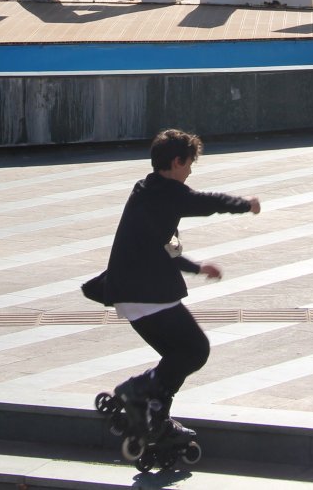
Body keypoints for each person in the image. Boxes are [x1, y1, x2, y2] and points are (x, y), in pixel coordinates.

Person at [81, 130, 260, 448]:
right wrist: (246, 204)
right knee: (195, 350)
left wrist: (195, 267)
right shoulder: (169, 193)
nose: (190, 171)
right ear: (177, 162)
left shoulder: (147, 189)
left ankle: (156, 417)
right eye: (189, 164)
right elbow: (208, 202)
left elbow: (164, 244)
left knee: (177, 356)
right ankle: (135, 390)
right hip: (146, 293)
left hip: (132, 293)